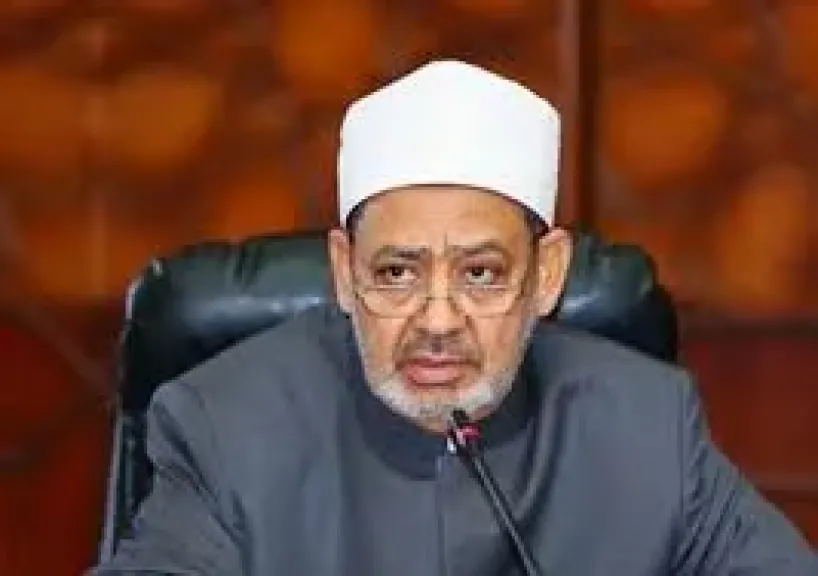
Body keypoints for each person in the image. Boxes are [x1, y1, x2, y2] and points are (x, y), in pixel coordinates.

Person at [90, 60, 816, 575]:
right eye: (396, 273)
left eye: (481, 274)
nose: (437, 320)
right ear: (344, 271)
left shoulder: (647, 425)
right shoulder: (224, 426)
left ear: (547, 275)